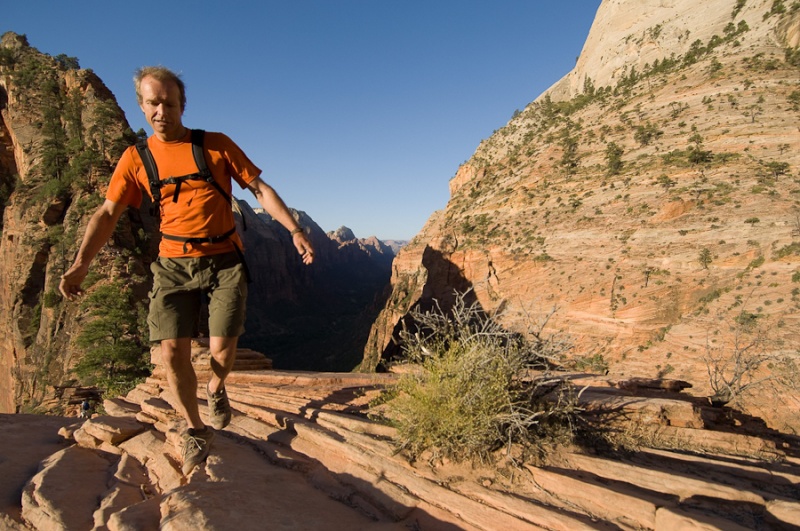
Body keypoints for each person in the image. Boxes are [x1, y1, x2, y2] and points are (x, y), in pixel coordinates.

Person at [59, 66, 315, 475]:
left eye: (169, 102)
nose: (161, 111)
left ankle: (215, 387)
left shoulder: (216, 145)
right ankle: (195, 428)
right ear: (142, 105)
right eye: (153, 103)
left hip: (225, 261)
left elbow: (260, 189)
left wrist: (295, 231)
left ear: (182, 104)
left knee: (221, 352)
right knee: (171, 352)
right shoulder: (135, 159)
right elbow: (108, 213)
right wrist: (80, 264)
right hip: (172, 265)